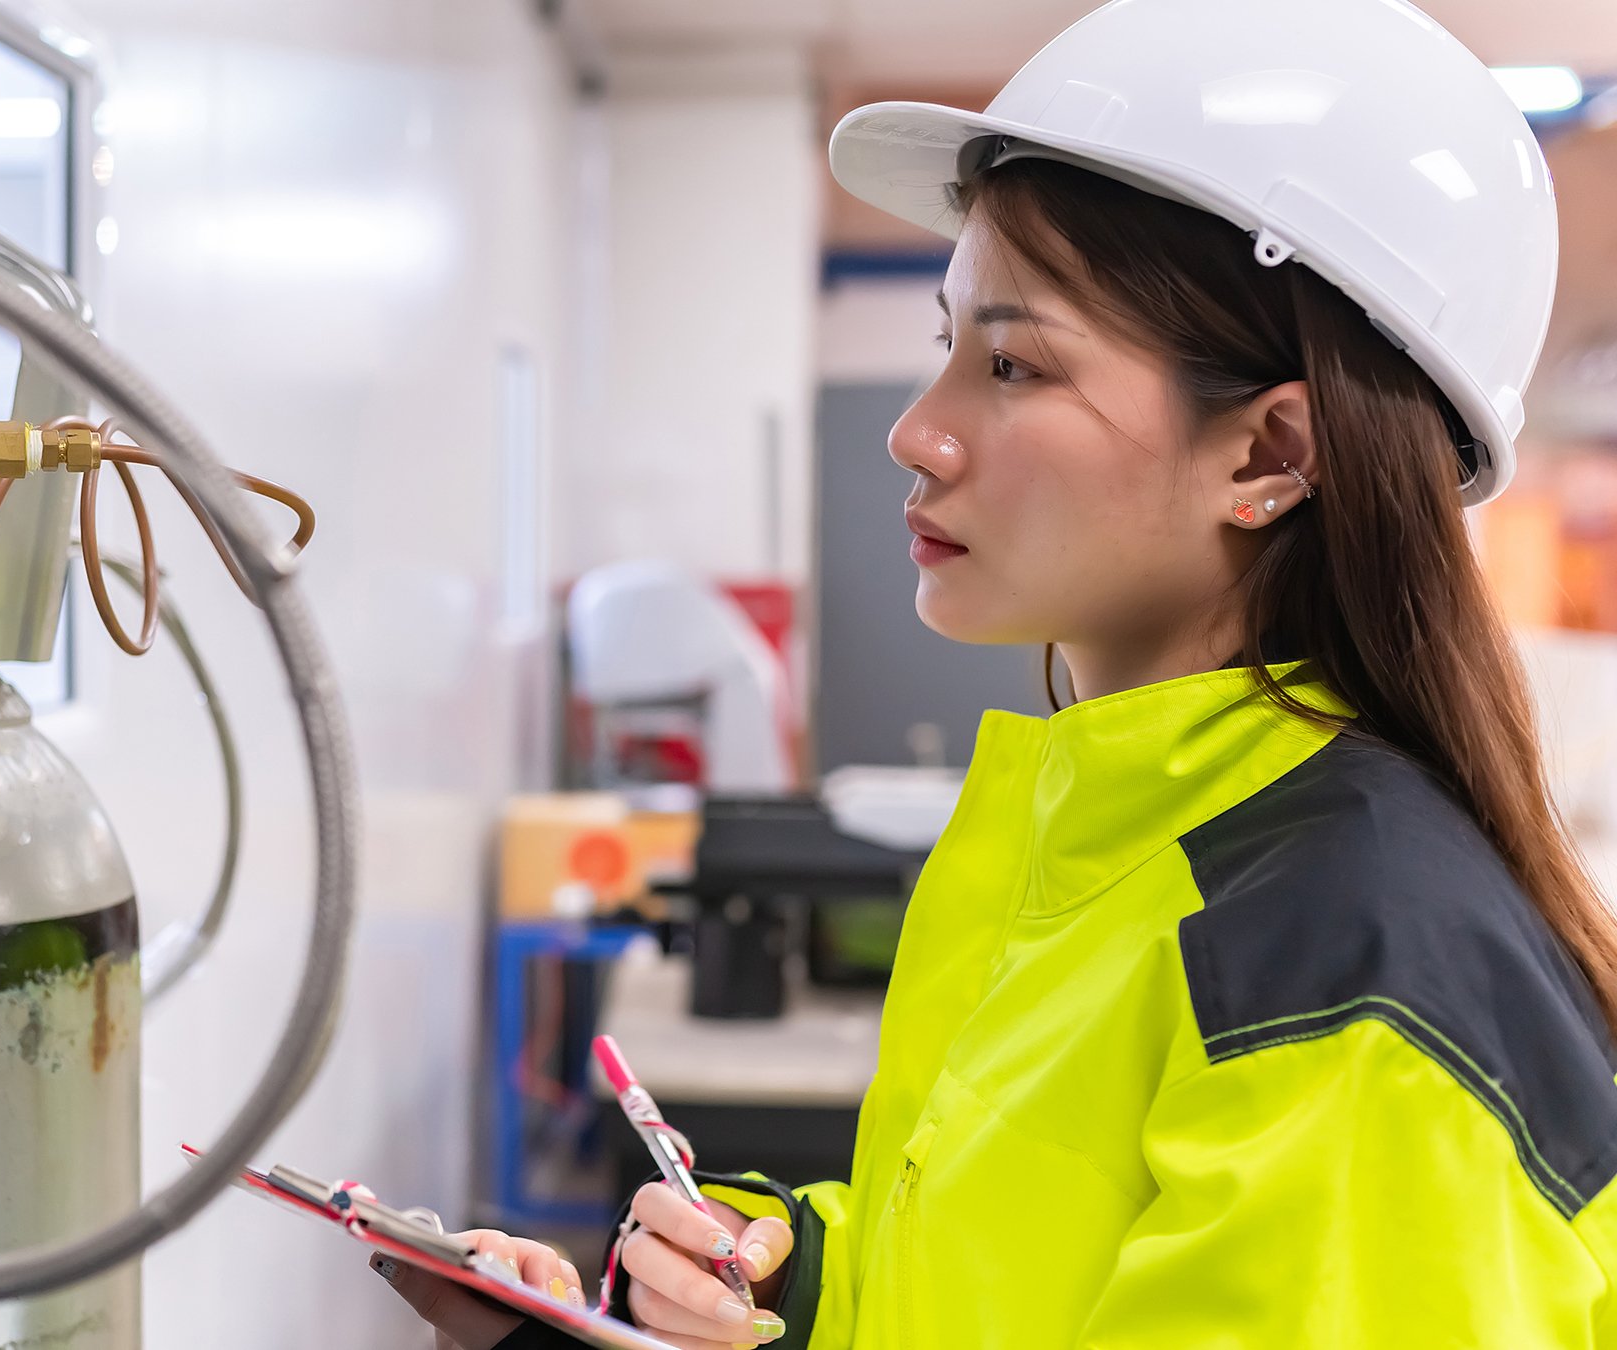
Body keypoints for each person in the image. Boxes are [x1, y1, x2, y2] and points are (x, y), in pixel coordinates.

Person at [383, 0, 1617, 1344]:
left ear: (1271, 456)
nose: (919, 430)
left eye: (1015, 364)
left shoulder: (1349, 973)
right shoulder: (1106, 840)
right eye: (948, 344)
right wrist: (786, 1287)